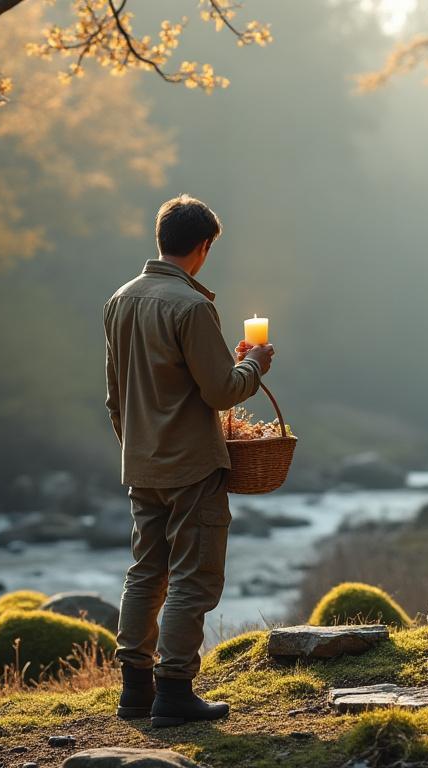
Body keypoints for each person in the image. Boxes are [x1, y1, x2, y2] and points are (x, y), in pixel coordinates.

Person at [103, 194, 275, 727]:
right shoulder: (192, 306)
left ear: (161, 238)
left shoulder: (120, 299)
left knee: (145, 572)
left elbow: (114, 394)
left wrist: (135, 443)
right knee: (192, 580)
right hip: (191, 466)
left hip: (141, 461)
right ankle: (174, 693)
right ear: (202, 247)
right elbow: (222, 391)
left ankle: (135, 691)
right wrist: (255, 365)